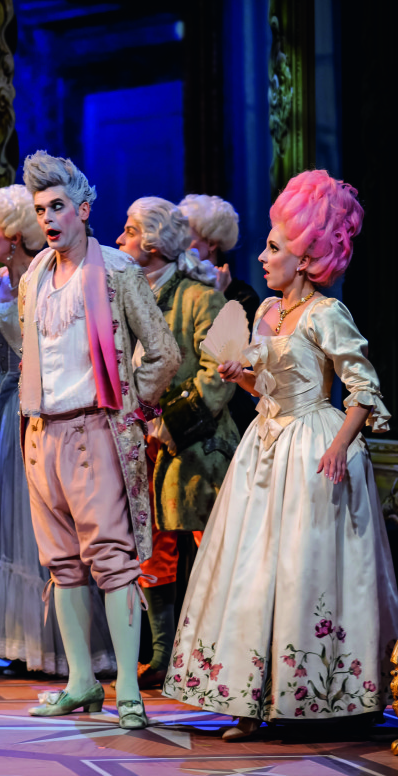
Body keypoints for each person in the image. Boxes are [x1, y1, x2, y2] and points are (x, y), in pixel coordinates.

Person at [165, 170, 398, 740]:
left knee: (308, 572)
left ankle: (333, 696)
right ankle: (251, 696)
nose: (263, 257)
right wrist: (240, 376)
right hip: (264, 447)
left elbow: (363, 390)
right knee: (252, 571)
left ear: (307, 257)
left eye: (275, 247)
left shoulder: (326, 314)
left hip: (313, 445)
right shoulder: (267, 312)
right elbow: (265, 390)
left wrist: (340, 447)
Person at [17, 152, 180, 729]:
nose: (49, 219)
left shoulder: (116, 269)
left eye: (58, 206)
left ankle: (129, 689)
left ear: (83, 209)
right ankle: (81, 681)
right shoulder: (34, 273)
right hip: (42, 431)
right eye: (40, 210)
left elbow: (163, 351)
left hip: (95, 428)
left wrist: (131, 403)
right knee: (62, 565)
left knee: (112, 561)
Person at [0, 186, 117, 676]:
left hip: (28, 406)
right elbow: (0, 347)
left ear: (13, 236)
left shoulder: (41, 282)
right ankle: (3, 636)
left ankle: (41, 642)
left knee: (27, 524)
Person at [114, 197, 237, 689]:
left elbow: (219, 373)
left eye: (127, 231)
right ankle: (162, 655)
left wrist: (174, 423)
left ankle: (221, 656)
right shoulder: (126, 295)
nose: (119, 239)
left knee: (212, 550)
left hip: (194, 447)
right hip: (139, 442)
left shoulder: (199, 297)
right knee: (151, 552)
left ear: (150, 241)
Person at [178, 193, 260, 436]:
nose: (179, 242)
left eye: (187, 234)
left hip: (225, 418)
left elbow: (226, 361)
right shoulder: (179, 289)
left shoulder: (242, 296)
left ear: (211, 243)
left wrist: (216, 299)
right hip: (182, 409)